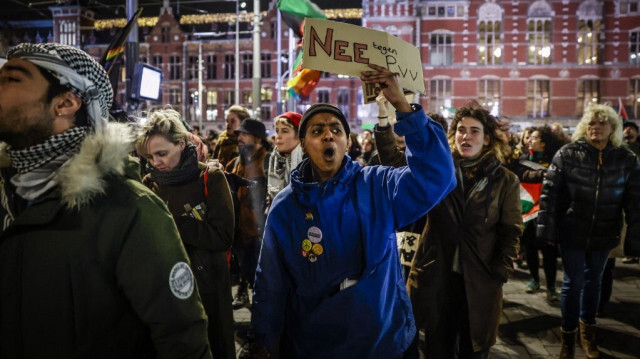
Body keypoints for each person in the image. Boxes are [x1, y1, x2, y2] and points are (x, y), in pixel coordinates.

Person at [0, 43, 211, 357]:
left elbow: (182, 339)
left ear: (66, 103)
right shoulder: (11, 197)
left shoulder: (128, 209)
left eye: (11, 79)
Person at [251, 63, 456, 359]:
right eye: (317, 131)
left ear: (348, 142)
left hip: (385, 341)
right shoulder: (286, 206)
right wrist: (264, 338)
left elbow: (436, 178)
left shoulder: (378, 184)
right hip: (316, 344)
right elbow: (270, 278)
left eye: (336, 130)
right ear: (304, 145)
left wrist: (403, 106)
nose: (328, 136)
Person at [406, 100, 523, 359]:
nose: (465, 136)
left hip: (479, 279)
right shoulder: (441, 173)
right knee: (437, 345)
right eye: (460, 129)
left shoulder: (505, 180)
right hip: (438, 276)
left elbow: (511, 231)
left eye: (474, 131)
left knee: (474, 348)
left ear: (488, 139)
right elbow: (396, 161)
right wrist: (388, 116)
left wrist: (499, 272)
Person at [537, 104, 640, 359]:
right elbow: (550, 195)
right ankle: (568, 336)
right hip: (572, 230)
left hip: (605, 232)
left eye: (602, 123)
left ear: (613, 128)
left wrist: (636, 238)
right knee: (573, 284)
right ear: (585, 126)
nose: (596, 128)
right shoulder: (567, 154)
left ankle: (588, 333)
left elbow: (636, 201)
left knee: (594, 282)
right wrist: (547, 230)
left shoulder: (626, 159)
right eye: (592, 123)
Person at [137, 109, 236, 359]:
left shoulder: (210, 177)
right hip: (165, 288)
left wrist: (172, 223)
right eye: (150, 156)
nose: (155, 162)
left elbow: (223, 235)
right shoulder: (149, 183)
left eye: (162, 153)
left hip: (208, 287)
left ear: (181, 143)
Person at [226, 118, 271, 310]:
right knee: (248, 274)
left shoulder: (267, 160)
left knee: (261, 283)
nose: (240, 138)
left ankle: (263, 327)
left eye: (245, 134)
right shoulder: (237, 161)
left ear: (258, 138)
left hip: (260, 233)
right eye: (239, 134)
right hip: (241, 230)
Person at [518, 126, 563, 303]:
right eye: (529, 138)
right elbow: (521, 175)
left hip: (546, 212)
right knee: (530, 249)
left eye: (534, 138)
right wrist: (541, 174)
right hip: (528, 212)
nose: (529, 140)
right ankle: (534, 279)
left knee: (549, 251)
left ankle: (551, 287)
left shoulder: (554, 160)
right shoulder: (522, 159)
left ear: (543, 143)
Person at [266, 111, 303, 206]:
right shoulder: (272, 160)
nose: (278, 136)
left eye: (285, 131)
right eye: (277, 130)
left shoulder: (310, 165)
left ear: (300, 136)